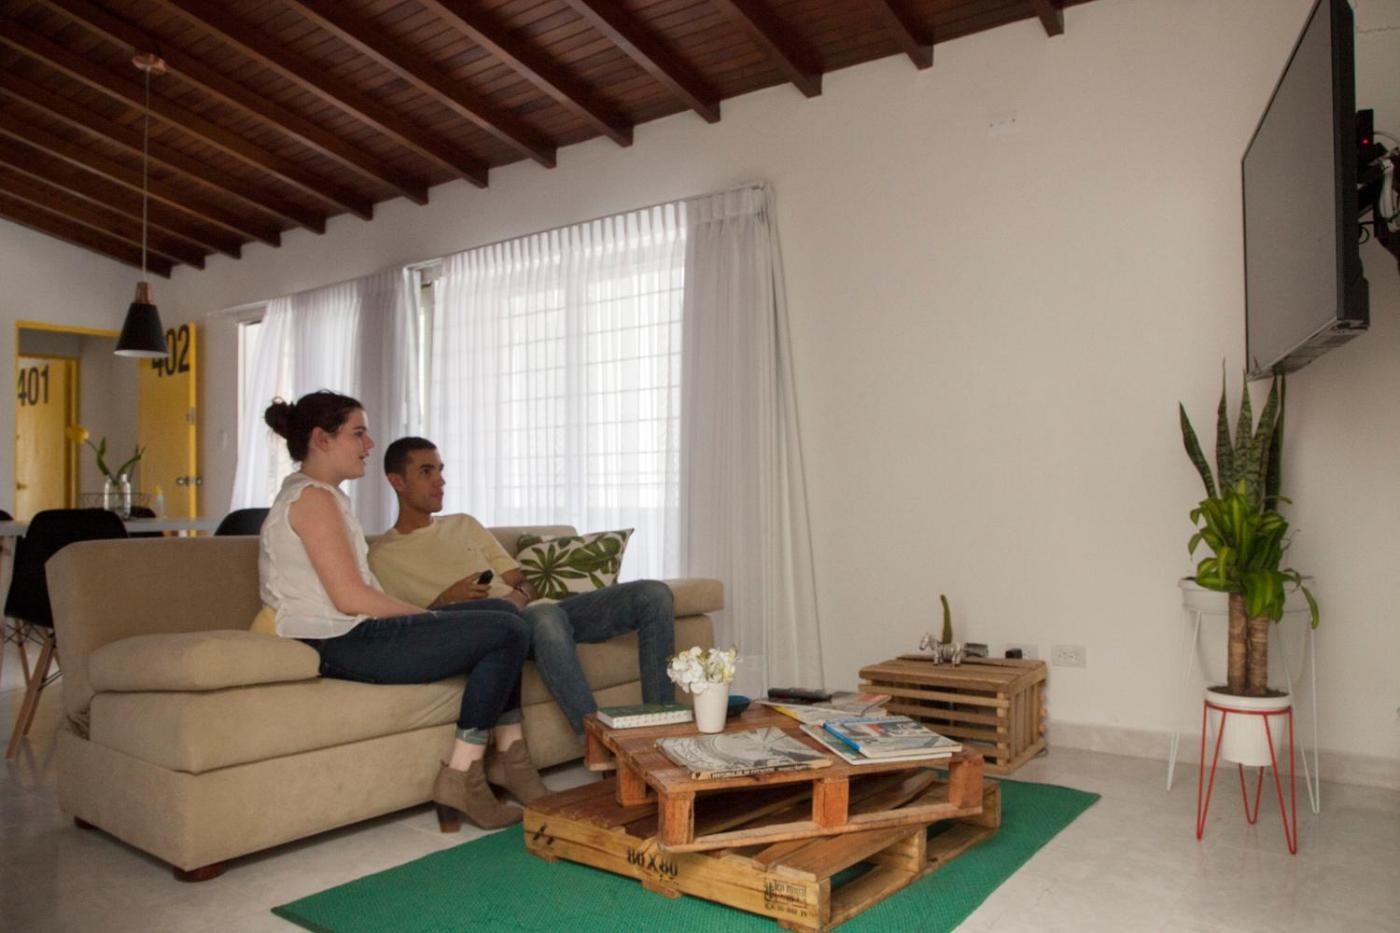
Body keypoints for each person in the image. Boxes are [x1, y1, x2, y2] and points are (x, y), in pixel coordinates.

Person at [258, 391, 548, 834]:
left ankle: (507, 756)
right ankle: (463, 775)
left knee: (503, 614)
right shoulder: (313, 500)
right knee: (505, 630)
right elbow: (350, 598)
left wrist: (438, 619)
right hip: (339, 641)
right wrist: (427, 619)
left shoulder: (322, 496)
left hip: (349, 634)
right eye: (358, 433)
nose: (369, 444)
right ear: (322, 439)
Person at [367, 437, 676, 741]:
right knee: (545, 617)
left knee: (653, 594)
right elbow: (407, 630)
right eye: (426, 472)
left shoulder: (464, 524)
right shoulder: (382, 557)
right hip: (499, 632)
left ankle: (665, 733)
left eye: (440, 470)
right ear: (397, 481)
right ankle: (597, 743)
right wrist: (448, 599)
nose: (440, 480)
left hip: (540, 611)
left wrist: (520, 596)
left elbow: (523, 581)